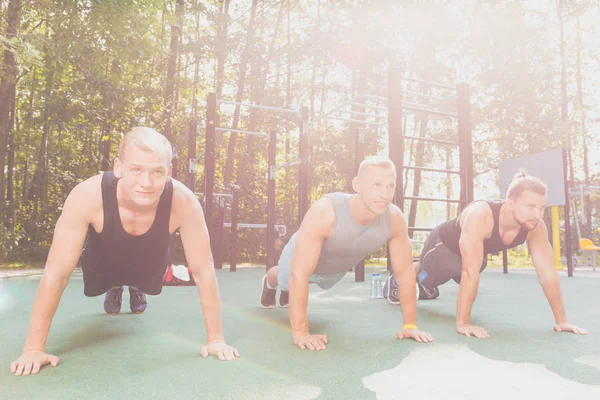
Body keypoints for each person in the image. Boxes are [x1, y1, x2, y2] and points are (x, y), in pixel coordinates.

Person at [10, 127, 239, 376]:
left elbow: (203, 270)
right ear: (119, 167)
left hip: (150, 258)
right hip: (103, 256)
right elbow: (57, 272)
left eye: (157, 172)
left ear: (169, 172)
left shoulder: (183, 202)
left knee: (144, 277)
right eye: (136, 170)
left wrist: (215, 338)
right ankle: (115, 284)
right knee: (107, 275)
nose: (147, 182)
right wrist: (33, 348)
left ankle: (135, 285)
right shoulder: (87, 195)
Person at [384, 171, 588, 339]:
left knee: (474, 266)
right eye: (530, 207)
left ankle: (425, 285)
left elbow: (547, 273)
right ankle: (396, 281)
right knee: (438, 272)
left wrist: (561, 320)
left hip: (472, 256)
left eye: (541, 207)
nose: (537, 214)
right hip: (442, 246)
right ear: (510, 204)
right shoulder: (481, 215)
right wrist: (463, 323)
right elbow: (468, 272)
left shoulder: (535, 226)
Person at [260, 155, 434, 351]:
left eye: (390, 186)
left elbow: (404, 273)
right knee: (285, 280)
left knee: (311, 282)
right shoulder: (325, 212)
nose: (385, 194)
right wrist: (301, 332)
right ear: (357, 185)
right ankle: (270, 282)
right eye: (377, 185)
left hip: (335, 268)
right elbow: (298, 273)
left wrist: (410, 325)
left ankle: (287, 291)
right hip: (302, 258)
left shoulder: (394, 219)